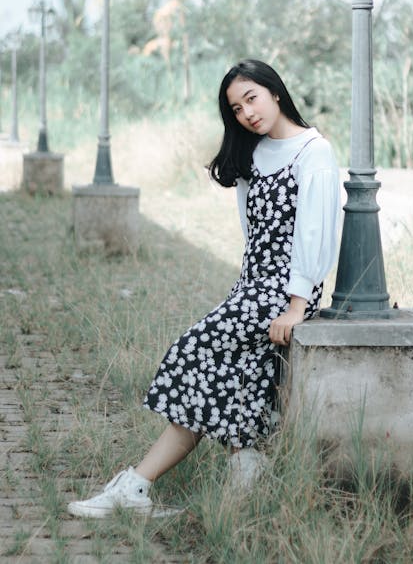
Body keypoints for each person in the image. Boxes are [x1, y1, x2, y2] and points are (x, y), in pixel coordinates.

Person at [67, 59, 340, 518]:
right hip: (251, 286)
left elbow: (316, 232)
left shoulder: (314, 151)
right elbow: (250, 231)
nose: (247, 113)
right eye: (236, 108)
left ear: (275, 91)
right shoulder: (251, 154)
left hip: (285, 291)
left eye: (251, 98)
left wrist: (296, 306)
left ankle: (135, 488)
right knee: (231, 379)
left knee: (194, 350)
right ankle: (244, 466)